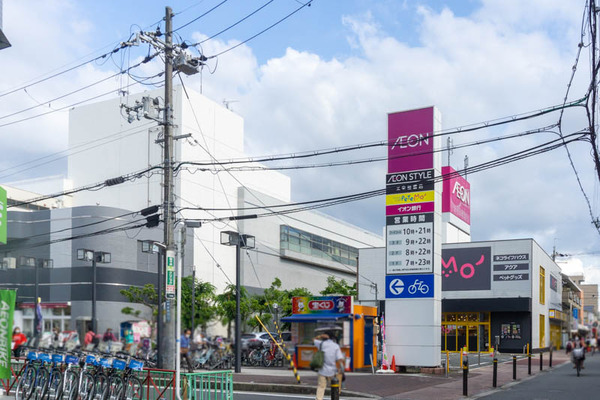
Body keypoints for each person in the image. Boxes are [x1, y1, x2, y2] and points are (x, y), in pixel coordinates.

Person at [313, 329, 345, 400]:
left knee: (321, 387)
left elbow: (314, 340)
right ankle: (335, 397)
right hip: (332, 371)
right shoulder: (335, 346)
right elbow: (340, 359)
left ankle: (319, 399)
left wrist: (319, 336)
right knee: (335, 387)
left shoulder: (321, 344)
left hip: (322, 370)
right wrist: (340, 368)